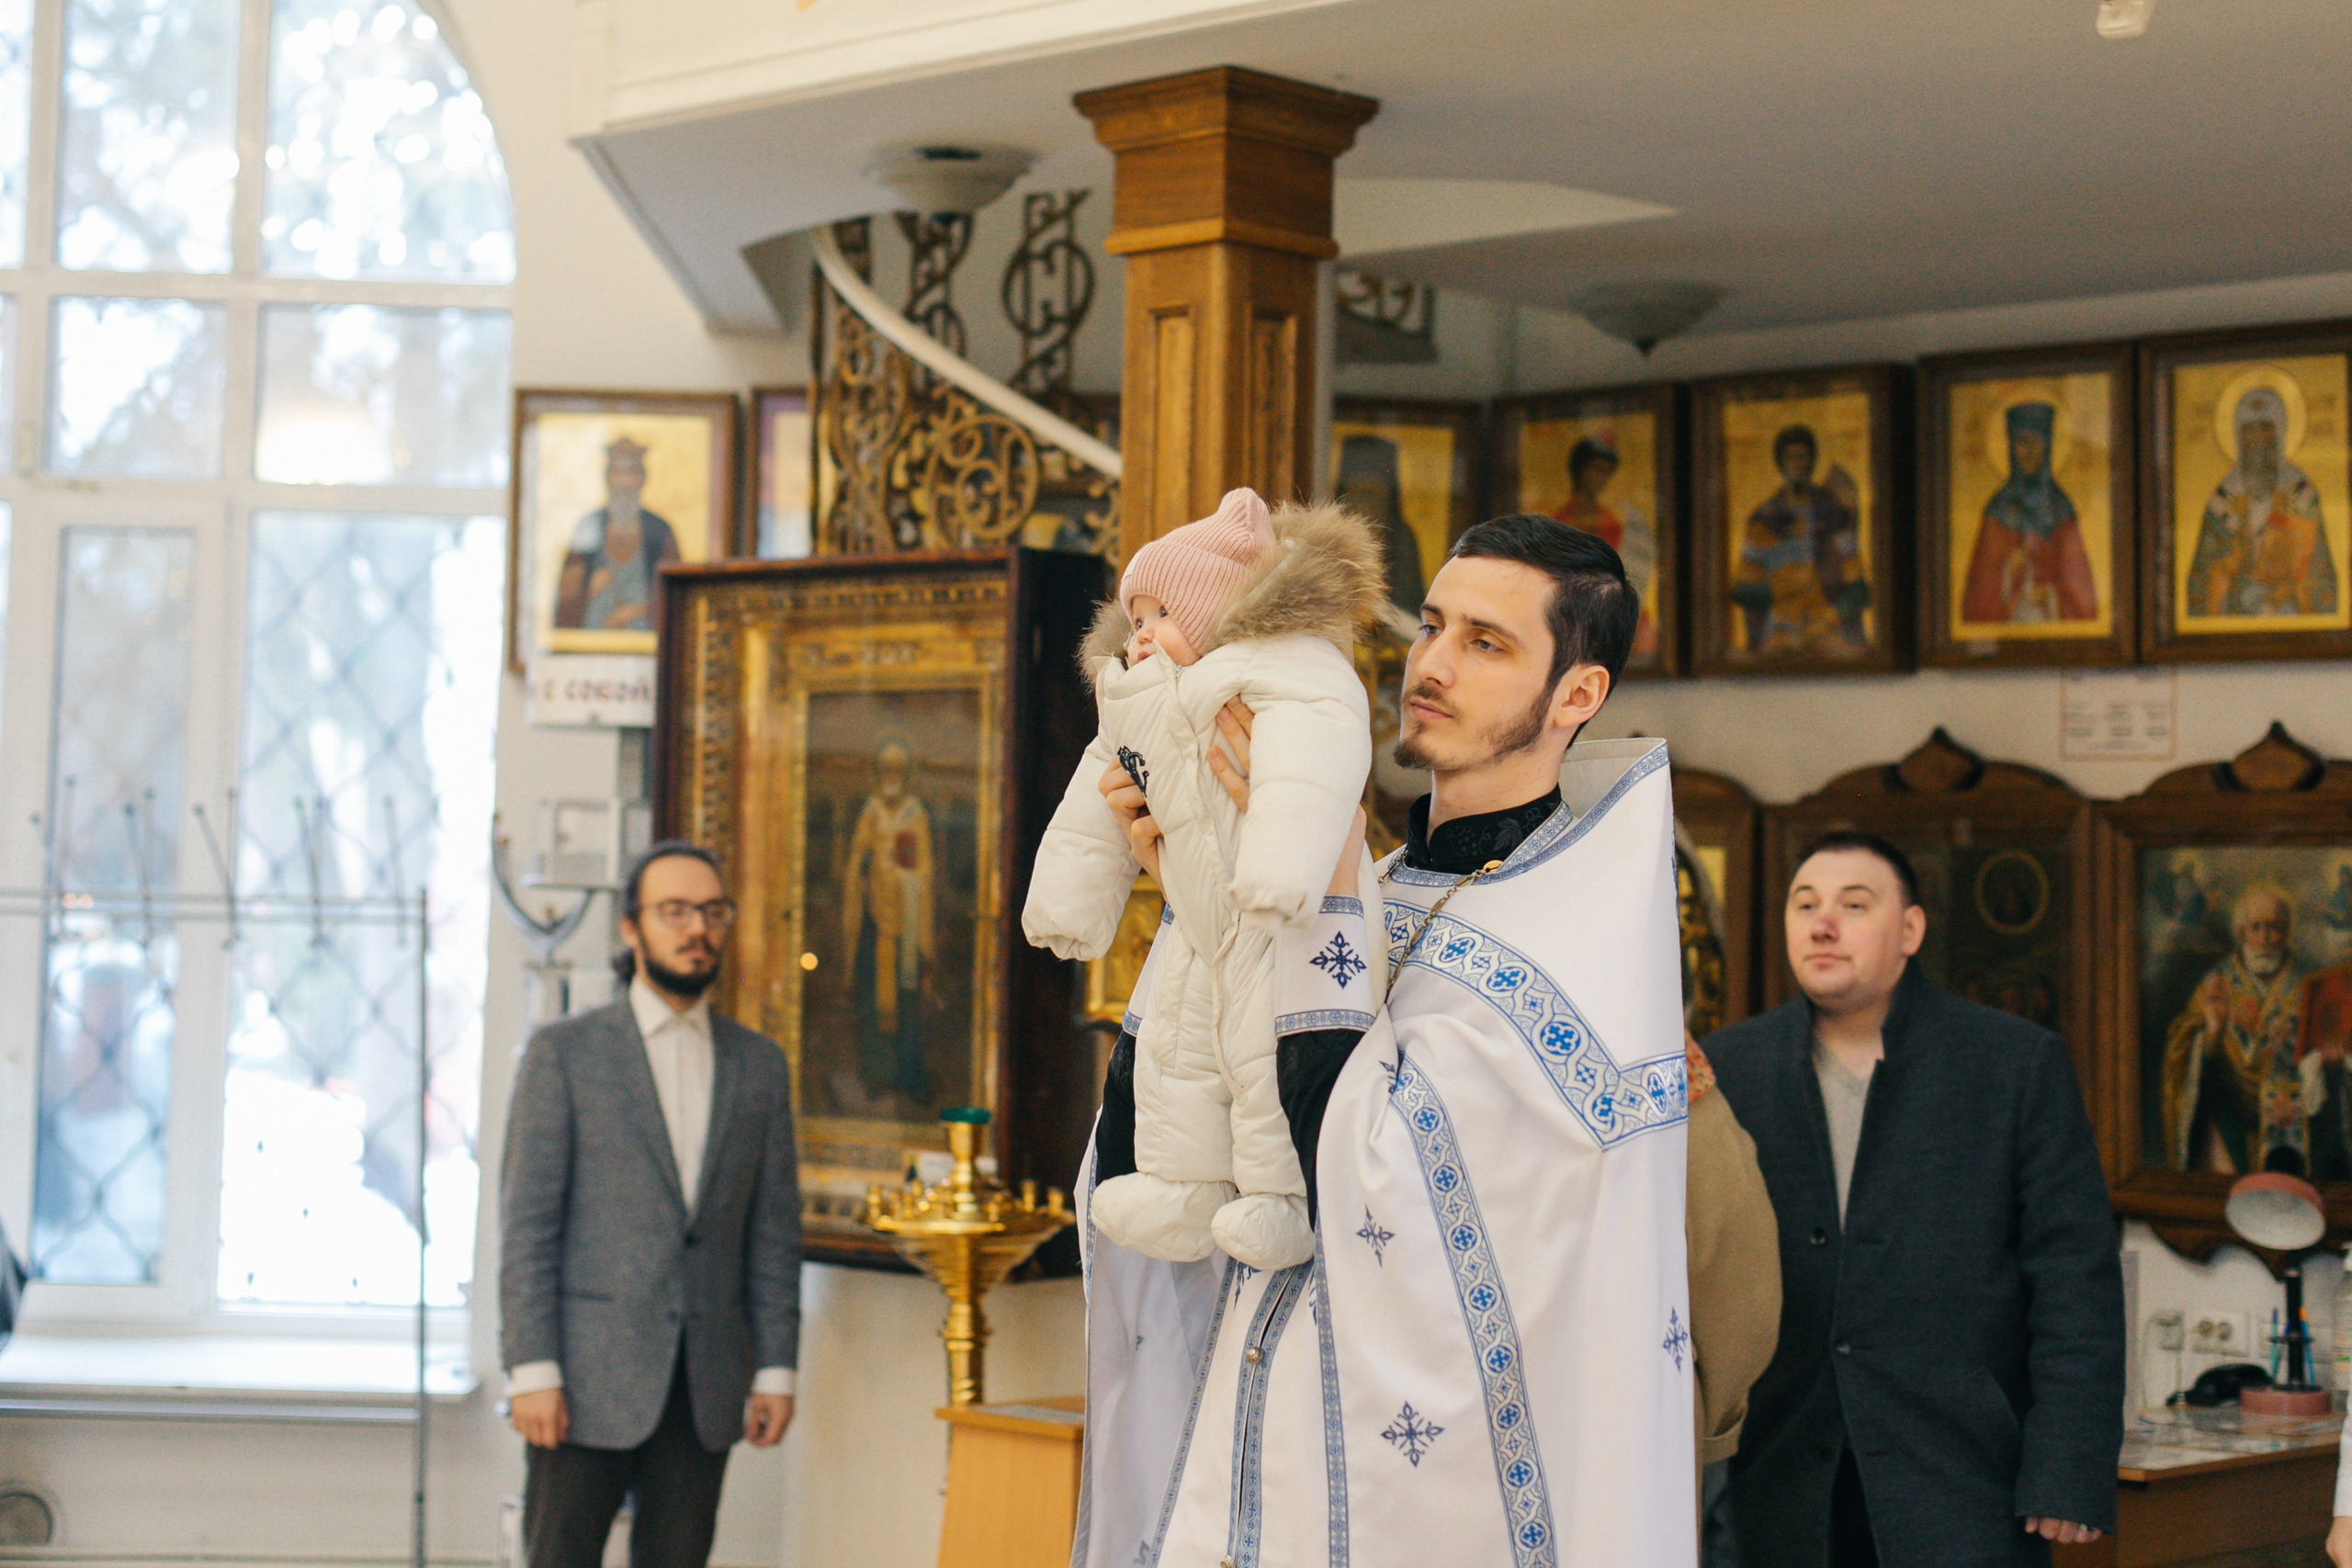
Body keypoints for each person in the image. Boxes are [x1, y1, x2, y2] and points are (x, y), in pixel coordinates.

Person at [1069, 514, 1720, 1568]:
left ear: (1577, 695)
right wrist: (1203, 900)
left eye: (1486, 643)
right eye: (1431, 626)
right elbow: (1171, 1158)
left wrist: (1319, 878)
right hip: (1249, 1466)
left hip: (1418, 1514)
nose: (1432, 664)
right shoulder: (1369, 889)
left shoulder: (1576, 951)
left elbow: (1380, 1195)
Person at [1706, 832, 2121, 1567]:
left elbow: (2074, 1277)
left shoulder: (2011, 1063)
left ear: (1910, 930)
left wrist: (2069, 1465)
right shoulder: (1729, 1066)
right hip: (1781, 1470)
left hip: (1959, 1472)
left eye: (1854, 904)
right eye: (1805, 904)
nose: (1822, 923)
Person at [1024, 486, 1385, 1270]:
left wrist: (1283, 866)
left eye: (1164, 615)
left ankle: (1280, 1196)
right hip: (1195, 915)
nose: (1145, 634)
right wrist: (1068, 903)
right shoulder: (1137, 696)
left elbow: (1306, 772)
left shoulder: (1291, 672)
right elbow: (1097, 793)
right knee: (1180, 1052)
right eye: (1139, 616)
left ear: (1224, 613)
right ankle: (1181, 1185)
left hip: (1274, 908)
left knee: (1260, 1052)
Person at [500, 842, 801, 1568]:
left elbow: (771, 1232)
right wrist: (531, 1368)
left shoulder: (758, 1064)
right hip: (581, 1380)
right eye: (674, 911)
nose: (696, 928)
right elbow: (527, 1226)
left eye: (711, 911)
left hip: (705, 1385)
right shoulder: (563, 1053)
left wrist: (776, 1370)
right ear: (630, 929)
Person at [2160, 884, 2306, 1174]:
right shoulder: (2215, 984)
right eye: (2255, 928)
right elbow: (2184, 1056)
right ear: (2241, 934)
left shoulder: (2306, 983)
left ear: (2287, 933)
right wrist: (2212, 1034)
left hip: (2293, 1120)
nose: (2264, 939)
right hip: (2229, 1125)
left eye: (2274, 928)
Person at [2186, 386, 2337, 619]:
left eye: (2265, 429)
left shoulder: (2302, 495)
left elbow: (2320, 575)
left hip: (2289, 615)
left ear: (2280, 433)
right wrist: (2228, 569)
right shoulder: (2221, 500)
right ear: (2238, 436)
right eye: (2249, 430)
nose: (2257, 440)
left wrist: (2294, 587)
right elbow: (2203, 577)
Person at [842, 738, 935, 1105]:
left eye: (898, 769)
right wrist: (868, 876)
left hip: (908, 931)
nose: (891, 776)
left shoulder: (915, 814)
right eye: (886, 769)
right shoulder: (871, 812)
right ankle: (876, 1075)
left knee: (908, 1003)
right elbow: (854, 865)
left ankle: (906, 1076)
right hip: (874, 925)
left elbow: (924, 870)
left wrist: (903, 879)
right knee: (872, 1003)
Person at [1730, 424, 1867, 655]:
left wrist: (1829, 619)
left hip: (1828, 626)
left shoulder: (1834, 513)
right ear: (1780, 462)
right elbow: (1742, 590)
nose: (1798, 464)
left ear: (1813, 459)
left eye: (1803, 456)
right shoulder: (1764, 519)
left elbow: (1858, 589)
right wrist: (1783, 587)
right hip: (1780, 629)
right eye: (1790, 457)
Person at [1959, 402, 2098, 625]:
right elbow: (1978, 597)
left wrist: (2049, 594)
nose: (2029, 452)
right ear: (2011, 448)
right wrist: (2007, 572)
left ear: (2047, 447)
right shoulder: (1998, 509)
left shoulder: (2060, 508)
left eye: (2036, 443)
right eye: (2022, 443)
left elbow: (2080, 594)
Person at [554, 436, 683, 632]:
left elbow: (676, 597)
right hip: (592, 647)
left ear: (642, 478)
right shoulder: (588, 527)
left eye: (631, 472)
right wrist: (588, 588)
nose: (624, 482)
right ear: (608, 478)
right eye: (617, 472)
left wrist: (636, 610)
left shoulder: (659, 531)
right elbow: (566, 602)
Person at [1550, 433, 1659, 658]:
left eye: (1606, 471)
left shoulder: (1615, 524)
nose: (1601, 478)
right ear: (1579, 470)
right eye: (1595, 469)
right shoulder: (1556, 523)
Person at [1335, 432, 1427, 609]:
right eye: (1356, 493)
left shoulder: (1401, 538)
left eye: (1372, 494)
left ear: (1387, 498)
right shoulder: (1327, 535)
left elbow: (1408, 609)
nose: (1364, 505)